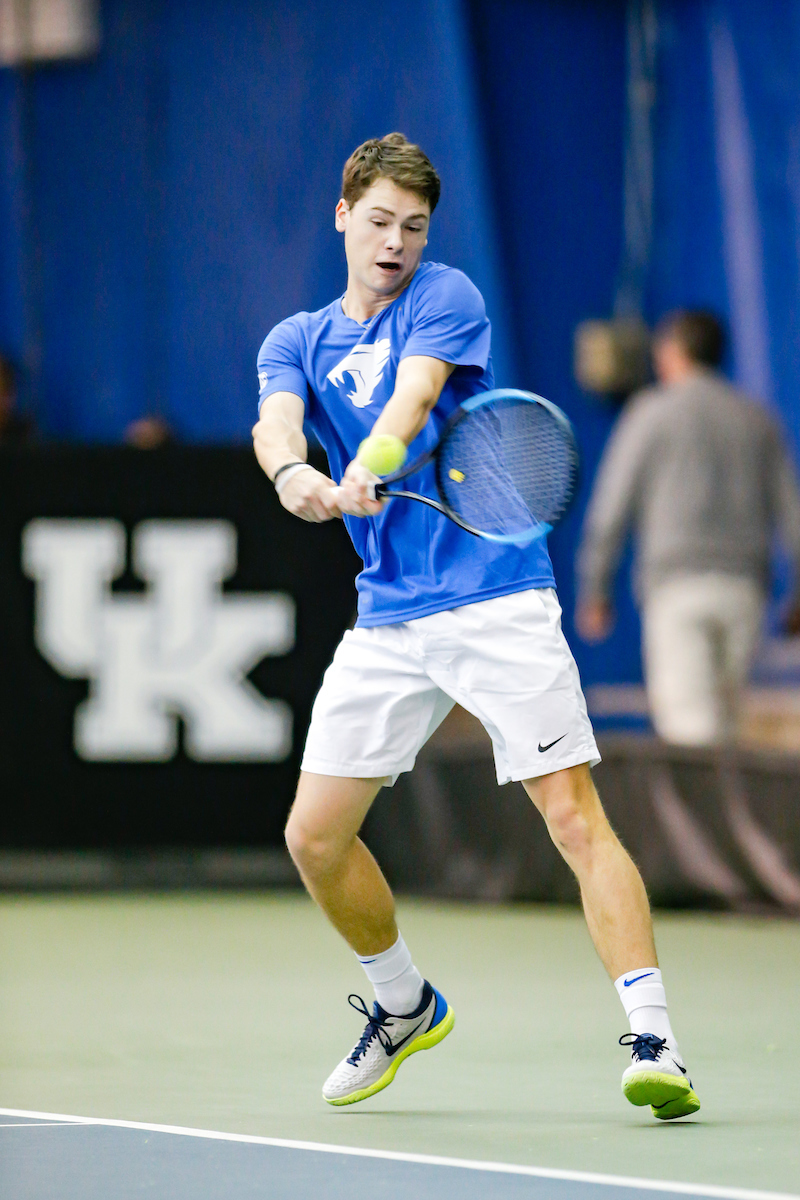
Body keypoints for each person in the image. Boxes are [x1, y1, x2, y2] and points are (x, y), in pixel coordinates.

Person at [252, 133, 699, 1120]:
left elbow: (412, 399)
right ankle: (403, 1003)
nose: (393, 243)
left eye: (411, 227)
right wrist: (297, 479)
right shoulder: (295, 338)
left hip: (496, 599)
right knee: (315, 838)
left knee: (573, 818)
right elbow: (274, 423)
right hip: (390, 619)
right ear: (340, 216)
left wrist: (369, 456)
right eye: (376, 222)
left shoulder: (445, 296)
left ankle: (655, 1043)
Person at [576, 310, 800, 745]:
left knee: (689, 731)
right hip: (745, 592)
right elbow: (791, 512)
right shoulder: (757, 419)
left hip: (674, 589)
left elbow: (612, 505)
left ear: (674, 353)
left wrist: (596, 587)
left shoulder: (649, 413)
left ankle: (704, 812)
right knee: (727, 724)